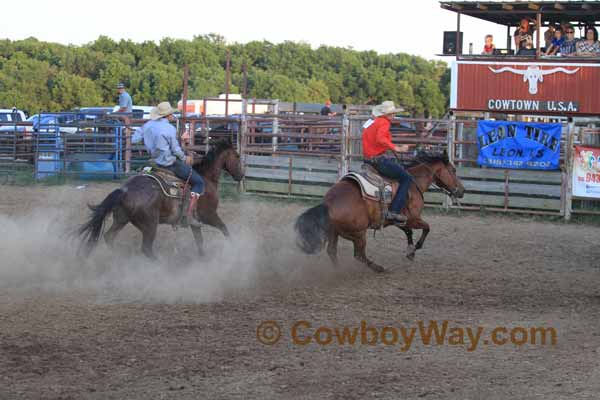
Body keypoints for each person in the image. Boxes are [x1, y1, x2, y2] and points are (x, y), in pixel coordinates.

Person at [132, 102, 204, 227]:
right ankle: (188, 214)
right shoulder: (170, 129)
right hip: (169, 163)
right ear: (168, 115)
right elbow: (176, 150)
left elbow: (134, 140)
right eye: (171, 113)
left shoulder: (147, 125)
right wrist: (185, 157)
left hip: (153, 162)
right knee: (199, 182)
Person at [362, 101, 411, 223]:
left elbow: (374, 139)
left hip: (368, 159)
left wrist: (391, 147)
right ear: (388, 114)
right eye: (392, 113)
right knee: (406, 178)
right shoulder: (384, 123)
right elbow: (380, 138)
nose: (393, 115)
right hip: (378, 160)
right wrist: (397, 148)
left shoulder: (373, 123)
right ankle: (394, 211)